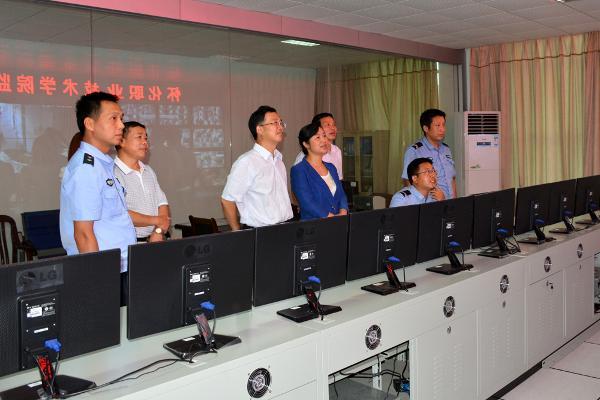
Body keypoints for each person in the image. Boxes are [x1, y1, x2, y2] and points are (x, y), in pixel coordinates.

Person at [59, 92, 136, 304]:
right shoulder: (86, 168)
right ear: (90, 124)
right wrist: (97, 284)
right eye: (113, 119)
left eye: (121, 118)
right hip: (104, 273)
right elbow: (83, 234)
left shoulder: (103, 164)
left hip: (119, 267)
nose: (121, 125)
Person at [221, 105, 293, 230]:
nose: (280, 127)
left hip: (285, 227)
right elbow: (227, 200)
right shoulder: (247, 162)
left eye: (281, 122)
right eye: (274, 123)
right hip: (260, 231)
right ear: (259, 129)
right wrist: (237, 232)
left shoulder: (278, 160)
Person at [114, 121, 170, 242]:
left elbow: (162, 203)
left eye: (145, 138)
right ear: (121, 141)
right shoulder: (112, 173)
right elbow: (120, 213)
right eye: (139, 137)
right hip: (128, 243)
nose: (145, 142)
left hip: (156, 239)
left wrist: (158, 231)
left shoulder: (148, 170)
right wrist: (157, 220)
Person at [291, 123, 348, 220]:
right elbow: (307, 202)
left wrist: (343, 211)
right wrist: (330, 217)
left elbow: (341, 194)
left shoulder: (331, 167)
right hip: (315, 224)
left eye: (324, 136)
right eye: (318, 137)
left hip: (338, 221)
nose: (324, 140)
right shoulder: (299, 170)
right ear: (306, 144)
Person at [402, 109, 456, 199]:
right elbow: (408, 181)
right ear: (426, 128)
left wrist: (455, 202)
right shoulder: (415, 151)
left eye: (443, 125)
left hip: (449, 203)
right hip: (429, 204)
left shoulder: (446, 149)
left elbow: (452, 179)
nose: (442, 129)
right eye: (438, 125)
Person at [293, 112, 343, 179]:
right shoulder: (305, 155)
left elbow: (339, 178)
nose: (333, 128)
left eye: (334, 124)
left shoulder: (337, 150)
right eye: (327, 125)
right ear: (316, 129)